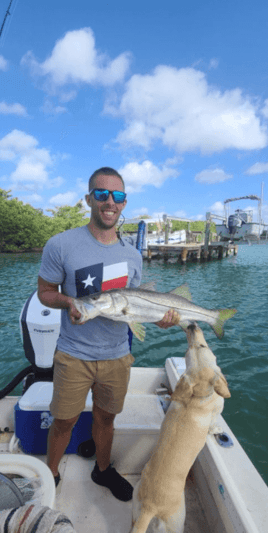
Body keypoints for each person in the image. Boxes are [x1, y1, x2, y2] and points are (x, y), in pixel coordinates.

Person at [38, 167, 179, 502]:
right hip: (74, 352)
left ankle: (102, 470)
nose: (109, 202)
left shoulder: (132, 254)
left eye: (116, 196)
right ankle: (50, 474)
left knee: (106, 419)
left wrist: (161, 317)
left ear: (124, 202)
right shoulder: (61, 244)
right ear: (89, 199)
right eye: (102, 194)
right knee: (63, 420)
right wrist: (69, 301)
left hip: (117, 353)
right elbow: (45, 292)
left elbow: (137, 304)